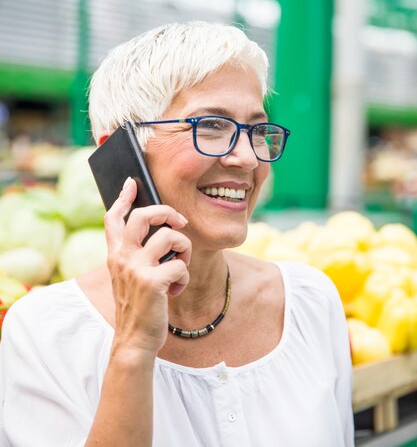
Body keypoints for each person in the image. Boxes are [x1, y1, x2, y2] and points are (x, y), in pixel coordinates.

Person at [0, 22, 354, 446]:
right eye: (211, 126)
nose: (246, 158)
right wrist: (132, 348)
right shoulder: (47, 331)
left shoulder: (310, 303)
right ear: (120, 152)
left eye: (257, 130)